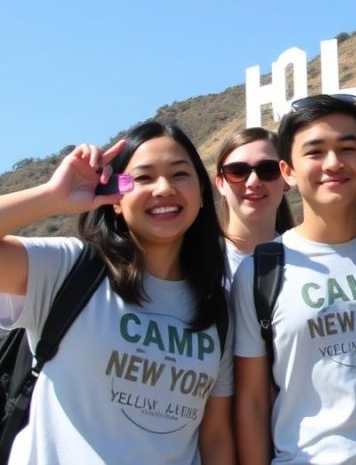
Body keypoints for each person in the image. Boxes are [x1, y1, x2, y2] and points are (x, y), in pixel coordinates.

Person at [0, 122, 234, 464]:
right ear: (116, 199)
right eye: (143, 178)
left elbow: (215, 436)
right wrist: (51, 196)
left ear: (201, 193)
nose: (164, 188)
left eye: (180, 174)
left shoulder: (217, 307)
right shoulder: (67, 268)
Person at [231, 94, 356, 464]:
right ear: (287, 171)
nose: (333, 163)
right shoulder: (260, 272)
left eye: (347, 148)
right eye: (315, 151)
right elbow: (252, 402)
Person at [213, 127, 294, 280]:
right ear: (220, 184)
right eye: (237, 171)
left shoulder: (312, 259)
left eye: (268, 169)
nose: (253, 182)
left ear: (286, 177)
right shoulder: (197, 264)